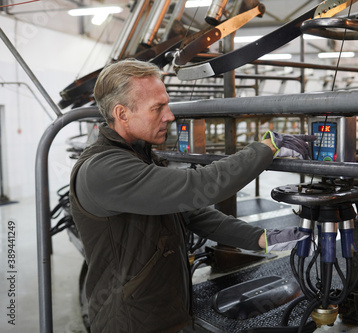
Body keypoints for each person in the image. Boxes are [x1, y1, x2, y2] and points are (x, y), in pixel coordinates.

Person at [69, 58, 316, 333]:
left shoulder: (139, 155)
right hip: (131, 322)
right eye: (157, 108)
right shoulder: (104, 170)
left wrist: (259, 238)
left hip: (166, 313)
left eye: (167, 104)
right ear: (122, 114)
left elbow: (191, 212)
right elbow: (198, 186)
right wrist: (265, 148)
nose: (170, 116)